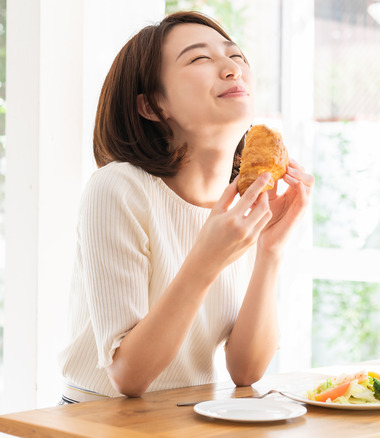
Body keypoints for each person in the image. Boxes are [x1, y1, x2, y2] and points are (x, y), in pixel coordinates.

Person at [57, 11, 314, 404]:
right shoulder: (119, 188)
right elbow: (128, 375)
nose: (232, 69)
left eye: (236, 56)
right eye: (200, 59)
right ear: (153, 106)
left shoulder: (241, 204)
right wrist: (206, 259)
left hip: (191, 419)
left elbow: (246, 371)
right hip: (99, 421)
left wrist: (270, 250)